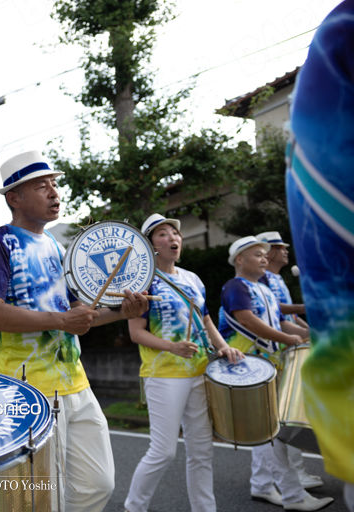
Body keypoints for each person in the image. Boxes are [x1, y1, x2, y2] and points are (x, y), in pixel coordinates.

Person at [0, 150, 149, 512]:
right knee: (43, 497)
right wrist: (60, 321)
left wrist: (121, 312)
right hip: (27, 391)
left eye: (55, 185)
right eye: (43, 187)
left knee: (99, 483)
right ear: (15, 198)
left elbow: (77, 316)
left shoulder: (57, 246)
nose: (55, 193)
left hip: (75, 381)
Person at [123, 214, 243, 512]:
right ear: (150, 245)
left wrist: (225, 347)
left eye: (174, 233)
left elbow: (205, 320)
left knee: (202, 451)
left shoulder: (193, 279)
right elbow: (136, 333)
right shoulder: (143, 281)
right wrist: (172, 347)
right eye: (162, 234)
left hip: (200, 372)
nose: (173, 239)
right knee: (163, 452)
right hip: (164, 375)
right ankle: (133, 507)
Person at [285, 2, 354, 509]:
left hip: (276, 353)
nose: (274, 255)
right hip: (186, 368)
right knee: (273, 442)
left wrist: (296, 327)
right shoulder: (342, 36)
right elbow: (240, 316)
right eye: (267, 251)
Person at [218, 237, 333, 511]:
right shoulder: (236, 286)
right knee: (271, 432)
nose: (264, 258)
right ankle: (294, 496)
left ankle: (261, 486)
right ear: (239, 260)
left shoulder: (264, 289)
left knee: (265, 431)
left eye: (264, 254)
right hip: (246, 367)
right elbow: (247, 320)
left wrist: (308, 334)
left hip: (266, 365)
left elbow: (280, 321)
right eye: (257, 254)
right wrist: (289, 339)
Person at [255, 231, 321, 489]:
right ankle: (284, 476)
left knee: (288, 415)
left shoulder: (277, 278)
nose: (285, 251)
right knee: (285, 415)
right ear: (267, 252)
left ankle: (289, 473)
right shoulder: (261, 279)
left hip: (288, 344)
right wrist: (308, 311)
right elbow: (277, 313)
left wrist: (309, 330)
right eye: (279, 247)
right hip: (276, 350)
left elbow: (289, 317)